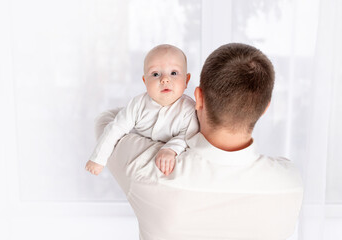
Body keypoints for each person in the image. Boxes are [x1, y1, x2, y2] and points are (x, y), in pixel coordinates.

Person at [88, 43, 303, 240]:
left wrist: (159, 117)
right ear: (265, 108)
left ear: (197, 98)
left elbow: (106, 123)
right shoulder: (290, 183)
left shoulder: (146, 168)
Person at [85, 44, 198, 176]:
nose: (165, 79)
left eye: (174, 73)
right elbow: (116, 128)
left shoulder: (188, 108)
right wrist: (98, 159)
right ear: (145, 81)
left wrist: (171, 149)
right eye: (155, 74)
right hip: (138, 159)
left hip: (168, 165)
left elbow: (189, 135)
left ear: (186, 80)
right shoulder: (138, 104)